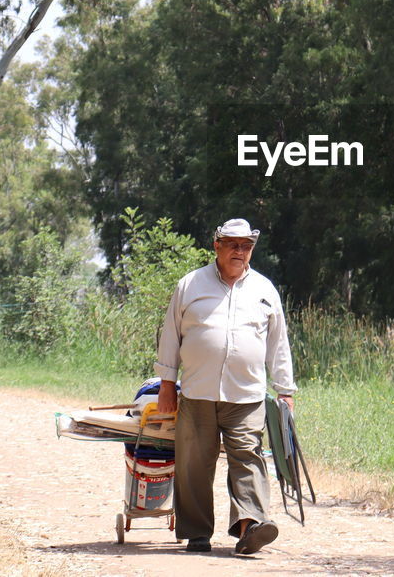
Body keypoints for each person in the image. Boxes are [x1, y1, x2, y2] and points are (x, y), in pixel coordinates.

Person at [154, 218, 297, 555]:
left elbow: (278, 344)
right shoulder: (189, 285)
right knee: (193, 463)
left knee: (248, 456)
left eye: (246, 245)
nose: (239, 250)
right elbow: (171, 336)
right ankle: (197, 533)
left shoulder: (264, 290)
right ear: (216, 245)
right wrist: (166, 383)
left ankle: (250, 529)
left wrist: (285, 390)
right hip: (197, 391)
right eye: (232, 244)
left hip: (246, 395)